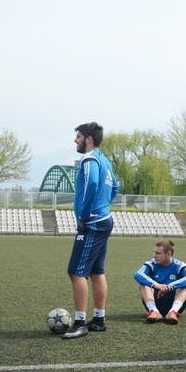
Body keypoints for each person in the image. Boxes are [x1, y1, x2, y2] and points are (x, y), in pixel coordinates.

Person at [62, 122, 119, 339]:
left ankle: (79, 323)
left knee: (76, 272)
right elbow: (115, 187)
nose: (75, 140)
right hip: (104, 219)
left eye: (78, 136)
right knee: (97, 271)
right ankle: (99, 319)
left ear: (88, 139)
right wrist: (104, 205)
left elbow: (93, 183)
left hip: (93, 223)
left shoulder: (88, 159)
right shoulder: (104, 159)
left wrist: (85, 213)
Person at [134, 239, 186, 324]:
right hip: (155, 302)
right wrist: (156, 285)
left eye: (158, 253)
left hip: (174, 304)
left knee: (185, 286)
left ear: (169, 254)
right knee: (144, 285)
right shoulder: (152, 263)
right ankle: (154, 311)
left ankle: (173, 312)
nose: (154, 256)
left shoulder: (179, 265)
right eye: (154, 252)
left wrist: (170, 286)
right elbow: (138, 275)